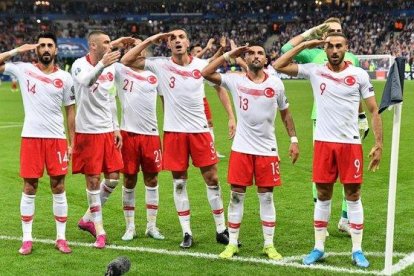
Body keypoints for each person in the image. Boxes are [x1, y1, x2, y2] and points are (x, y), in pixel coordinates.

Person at [274, 32, 383, 268]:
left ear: (346, 48)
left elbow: (373, 110)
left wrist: (378, 143)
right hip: (323, 143)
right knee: (323, 195)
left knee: (353, 196)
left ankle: (357, 249)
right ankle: (318, 247)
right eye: (330, 46)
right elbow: (278, 65)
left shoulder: (358, 74)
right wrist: (306, 44)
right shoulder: (315, 70)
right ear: (325, 49)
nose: (334, 50)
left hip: (350, 144)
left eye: (338, 46)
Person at [121, 29, 235, 248]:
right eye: (172, 38)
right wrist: (152, 39)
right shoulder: (160, 65)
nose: (177, 41)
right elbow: (126, 60)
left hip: (200, 131)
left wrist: (231, 117)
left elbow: (220, 88)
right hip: (174, 133)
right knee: (179, 182)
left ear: (188, 42)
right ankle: (186, 232)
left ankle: (221, 229)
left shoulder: (201, 66)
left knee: (212, 179)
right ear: (168, 45)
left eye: (181, 37)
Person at [202, 42, 299, 260]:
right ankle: (233, 243)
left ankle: (269, 244)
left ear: (266, 59)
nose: (255, 56)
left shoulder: (276, 84)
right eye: (251, 53)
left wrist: (293, 139)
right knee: (236, 197)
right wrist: (228, 54)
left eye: (260, 53)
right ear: (245, 58)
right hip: (241, 149)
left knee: (266, 198)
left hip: (267, 149)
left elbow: (286, 114)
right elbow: (205, 72)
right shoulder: (235, 81)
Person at [280, 17, 370, 234]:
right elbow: (285, 49)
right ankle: (321, 219)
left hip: (348, 122)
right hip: (321, 118)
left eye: (339, 31)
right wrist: (311, 32)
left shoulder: (352, 59)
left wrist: (361, 116)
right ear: (323, 36)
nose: (335, 36)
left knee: (350, 176)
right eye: (331, 32)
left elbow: (356, 92)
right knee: (323, 174)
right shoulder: (315, 54)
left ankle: (345, 219)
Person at [0, 32, 75, 255]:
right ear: (36, 49)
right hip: (31, 137)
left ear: (56, 50)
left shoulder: (65, 78)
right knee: (29, 186)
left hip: (57, 140)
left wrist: (72, 143)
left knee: (59, 187)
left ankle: (61, 238)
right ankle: (27, 238)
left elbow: (71, 111)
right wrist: (16, 50)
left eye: (49, 45)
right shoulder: (24, 69)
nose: (45, 48)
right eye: (41, 45)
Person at [71, 30, 133, 248]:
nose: (110, 45)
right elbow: (87, 82)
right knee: (93, 181)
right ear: (93, 45)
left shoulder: (111, 67)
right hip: (87, 132)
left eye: (111, 42)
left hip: (107, 131)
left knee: (114, 178)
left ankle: (87, 218)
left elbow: (110, 98)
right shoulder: (78, 64)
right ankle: (100, 231)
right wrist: (102, 65)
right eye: (106, 42)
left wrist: (116, 128)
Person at [114, 38, 164, 241]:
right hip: (128, 134)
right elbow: (110, 54)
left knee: (152, 180)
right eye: (134, 47)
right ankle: (130, 226)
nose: (140, 51)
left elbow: (165, 101)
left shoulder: (154, 74)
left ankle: (151, 226)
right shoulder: (119, 70)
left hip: (151, 134)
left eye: (143, 46)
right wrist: (121, 43)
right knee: (129, 180)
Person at [190, 39, 233, 159]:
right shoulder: (185, 63)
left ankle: (211, 150)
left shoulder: (201, 66)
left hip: (201, 101)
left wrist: (222, 49)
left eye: (200, 50)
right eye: (197, 51)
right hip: (184, 104)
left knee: (209, 125)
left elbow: (213, 59)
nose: (201, 52)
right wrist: (208, 48)